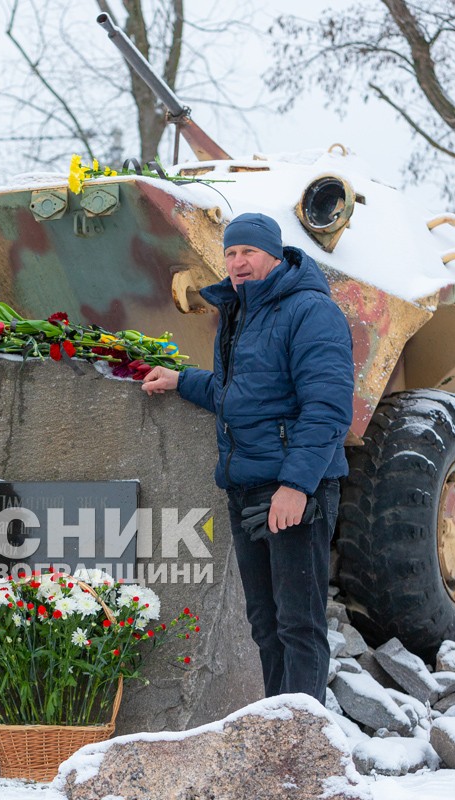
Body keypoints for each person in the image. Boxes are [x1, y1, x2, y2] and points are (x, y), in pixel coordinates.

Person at [141, 212, 353, 704]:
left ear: (275, 256)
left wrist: (296, 486)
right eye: (231, 253)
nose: (237, 263)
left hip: (294, 489)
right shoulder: (240, 313)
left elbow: (328, 407)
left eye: (249, 253)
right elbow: (239, 393)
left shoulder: (309, 311)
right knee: (265, 622)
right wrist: (180, 380)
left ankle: (304, 742)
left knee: (299, 622)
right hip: (247, 488)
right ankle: (275, 728)